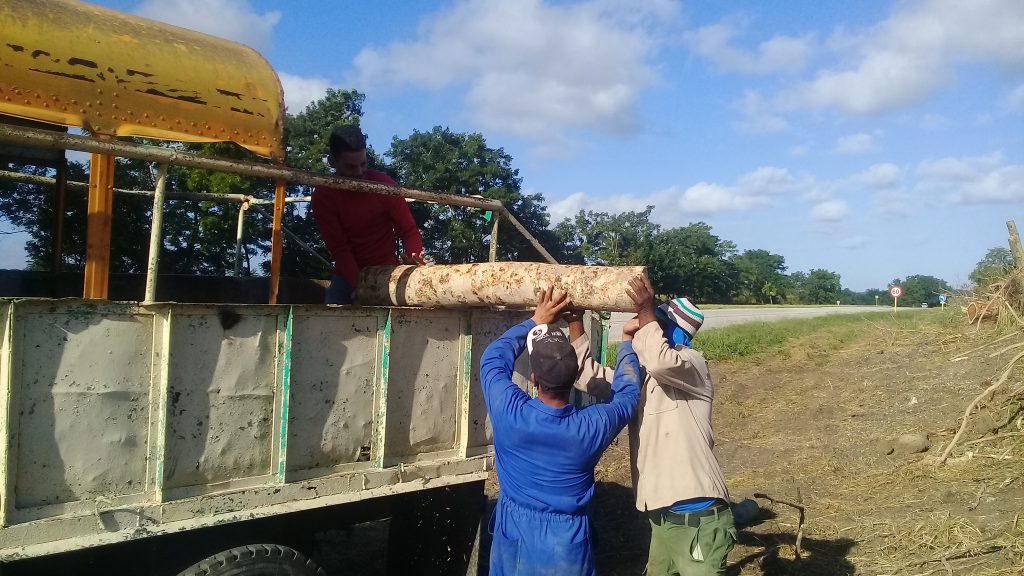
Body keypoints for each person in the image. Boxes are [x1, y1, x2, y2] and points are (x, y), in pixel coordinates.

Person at [571, 274, 736, 575]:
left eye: (656, 325)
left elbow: (661, 360)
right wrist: (575, 322)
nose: (646, 328)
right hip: (663, 519)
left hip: (698, 518)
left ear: (672, 333)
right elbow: (587, 378)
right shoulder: (642, 377)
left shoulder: (693, 366)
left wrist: (647, 310)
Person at [480, 285, 641, 576]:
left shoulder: (511, 413)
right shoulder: (590, 427)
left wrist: (535, 321)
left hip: (514, 534)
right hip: (567, 543)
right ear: (574, 375)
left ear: (533, 378)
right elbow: (628, 395)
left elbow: (492, 360)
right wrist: (627, 344)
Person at [311, 124, 425, 304]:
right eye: (350, 167)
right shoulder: (323, 196)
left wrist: (414, 256)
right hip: (347, 277)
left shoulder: (384, 185)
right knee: (331, 318)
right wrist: (360, 286)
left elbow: (408, 229)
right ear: (332, 161)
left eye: (363, 164)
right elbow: (340, 249)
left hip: (388, 273)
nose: (359, 172)